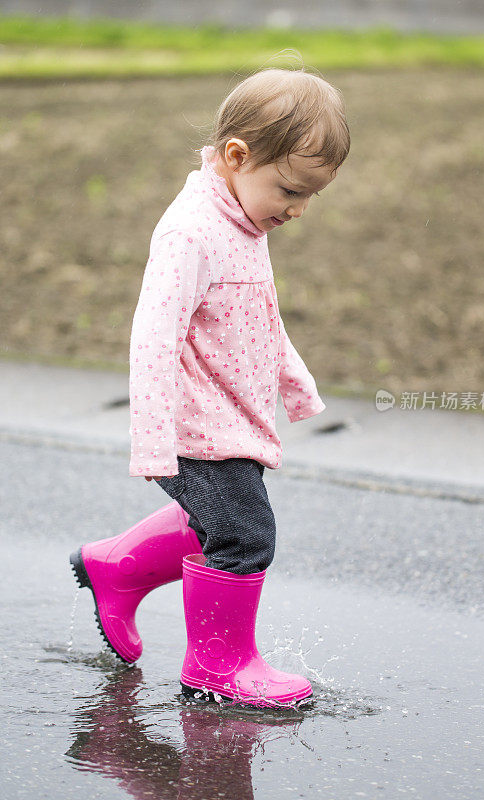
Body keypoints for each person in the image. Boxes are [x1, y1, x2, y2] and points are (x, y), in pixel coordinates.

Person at [70, 67, 350, 707]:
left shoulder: (246, 224)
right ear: (236, 156)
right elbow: (154, 335)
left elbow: (259, 318)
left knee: (216, 523)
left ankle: (114, 568)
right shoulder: (191, 231)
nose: (298, 209)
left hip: (235, 418)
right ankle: (217, 666)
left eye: (311, 196)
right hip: (195, 423)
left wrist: (296, 386)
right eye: (289, 189)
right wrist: (151, 437)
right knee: (244, 535)